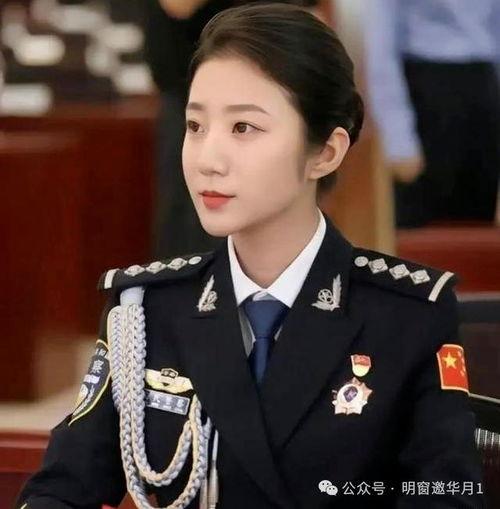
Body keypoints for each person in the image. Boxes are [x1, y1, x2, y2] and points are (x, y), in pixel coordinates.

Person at [16, 4, 484, 508]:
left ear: (325, 152)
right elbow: (61, 489)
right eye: (195, 126)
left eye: (243, 128)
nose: (208, 160)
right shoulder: (146, 311)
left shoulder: (407, 315)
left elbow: (446, 495)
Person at [144, 0, 319, 258]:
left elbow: (311, 15)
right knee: (196, 236)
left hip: (274, 92)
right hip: (193, 91)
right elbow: (178, 5)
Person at [363, 0, 500, 227]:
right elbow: (381, 49)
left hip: (483, 89)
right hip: (426, 92)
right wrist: (398, 140)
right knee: (419, 228)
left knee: (477, 227)